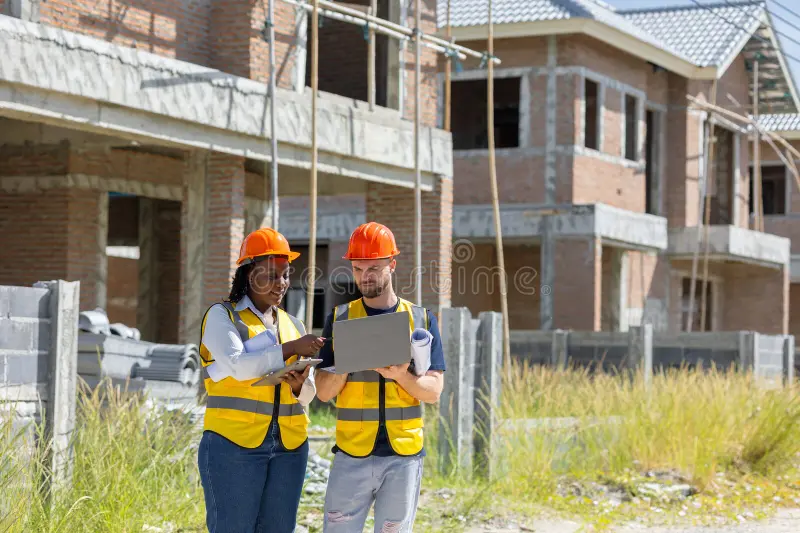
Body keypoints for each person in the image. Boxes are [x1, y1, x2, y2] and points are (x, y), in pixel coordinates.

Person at [315, 222, 446, 533]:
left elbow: (433, 392)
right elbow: (322, 393)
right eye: (358, 268)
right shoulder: (340, 319)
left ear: (392, 264)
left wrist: (402, 375)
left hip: (403, 456)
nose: (365, 276)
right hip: (352, 453)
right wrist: (345, 363)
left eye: (374, 267)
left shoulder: (422, 320)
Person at [197, 227, 325, 533]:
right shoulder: (222, 317)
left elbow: (309, 395)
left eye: (284, 274)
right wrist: (292, 349)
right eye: (269, 274)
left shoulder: (293, 324)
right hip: (233, 446)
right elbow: (239, 367)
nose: (279, 283)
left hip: (289, 448)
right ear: (247, 274)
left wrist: (297, 384)